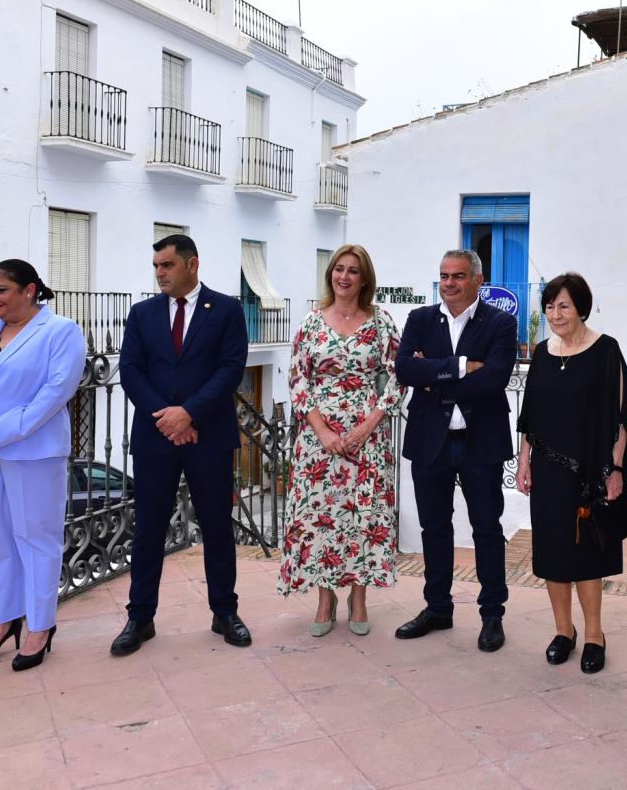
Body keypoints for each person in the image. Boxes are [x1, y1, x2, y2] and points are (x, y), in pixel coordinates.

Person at [111, 234, 251, 655]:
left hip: (209, 434)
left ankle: (224, 611)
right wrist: (169, 419)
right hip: (156, 437)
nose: (159, 274)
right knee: (149, 528)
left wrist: (189, 413)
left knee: (216, 525)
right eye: (156, 266)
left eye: (167, 265)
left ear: (192, 264)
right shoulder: (142, 314)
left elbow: (231, 369)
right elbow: (131, 370)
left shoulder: (226, 310)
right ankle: (140, 617)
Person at [0, 259, 85, 671]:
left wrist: (0, 430)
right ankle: (5, 620)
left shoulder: (60, 332)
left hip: (33, 450)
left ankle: (40, 626)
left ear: (29, 290)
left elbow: (56, 391)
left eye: (1, 290)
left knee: (36, 537)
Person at [516, 273, 627, 674]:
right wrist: (523, 462)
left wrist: (616, 468)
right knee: (552, 553)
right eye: (550, 306)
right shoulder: (540, 352)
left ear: (581, 308)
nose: (556, 314)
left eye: (564, 306)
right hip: (549, 471)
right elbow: (529, 416)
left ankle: (593, 635)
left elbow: (622, 416)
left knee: (588, 554)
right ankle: (562, 631)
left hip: (591, 470)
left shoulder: (606, 350)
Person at [394, 248, 517, 651]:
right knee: (434, 529)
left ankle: (492, 615)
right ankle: (437, 608)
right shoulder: (419, 319)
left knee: (487, 529)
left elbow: (495, 379)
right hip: (431, 441)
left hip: (480, 443)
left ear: (478, 280)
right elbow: (405, 370)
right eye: (444, 276)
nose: (449, 283)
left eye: (459, 276)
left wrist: (435, 374)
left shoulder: (501, 323)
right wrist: (463, 366)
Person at [277, 244, 403, 636]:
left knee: (366, 518)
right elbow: (298, 381)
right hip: (319, 442)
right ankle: (325, 597)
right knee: (319, 519)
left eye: (353, 271)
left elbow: (398, 376)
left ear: (365, 279)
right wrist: (324, 431)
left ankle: (359, 597)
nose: (344, 277)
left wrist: (368, 425)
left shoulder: (382, 323)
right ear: (330, 275)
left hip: (369, 438)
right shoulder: (311, 324)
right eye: (338, 270)